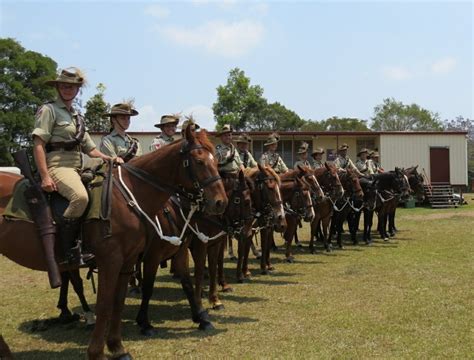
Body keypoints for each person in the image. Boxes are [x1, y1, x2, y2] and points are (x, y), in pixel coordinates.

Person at [32, 67, 120, 266]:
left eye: (72, 86)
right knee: (80, 197)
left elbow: (91, 150)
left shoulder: (78, 117)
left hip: (79, 167)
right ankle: (68, 250)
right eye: (64, 85)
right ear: (58, 88)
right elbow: (38, 144)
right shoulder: (49, 110)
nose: (68, 89)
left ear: (77, 89)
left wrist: (110, 159)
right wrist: (45, 176)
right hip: (58, 167)